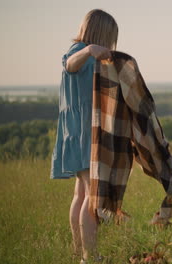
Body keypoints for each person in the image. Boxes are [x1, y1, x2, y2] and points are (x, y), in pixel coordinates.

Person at [50, 9, 118, 264]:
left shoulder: (89, 56)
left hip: (78, 134)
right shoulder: (79, 51)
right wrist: (90, 50)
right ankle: (91, 257)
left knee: (81, 194)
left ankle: (79, 253)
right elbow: (69, 64)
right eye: (110, 37)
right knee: (92, 196)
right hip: (83, 135)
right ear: (100, 33)